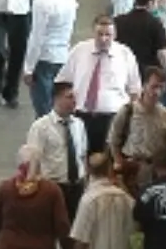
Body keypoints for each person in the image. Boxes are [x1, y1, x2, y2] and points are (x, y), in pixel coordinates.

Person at [58, 13, 142, 157]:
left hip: (113, 118)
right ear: (93, 33)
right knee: (81, 157)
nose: (103, 39)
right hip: (82, 115)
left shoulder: (125, 54)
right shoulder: (80, 50)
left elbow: (135, 90)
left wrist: (130, 119)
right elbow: (63, 81)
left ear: (114, 34)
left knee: (108, 159)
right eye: (100, 34)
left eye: (108, 35)